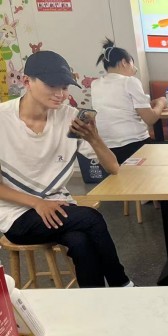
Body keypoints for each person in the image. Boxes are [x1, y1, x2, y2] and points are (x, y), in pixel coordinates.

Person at [0, 50, 133, 288]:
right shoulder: (3, 120)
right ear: (27, 81)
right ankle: (122, 284)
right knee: (91, 219)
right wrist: (37, 203)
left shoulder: (69, 118)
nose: (60, 94)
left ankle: (95, 301)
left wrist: (94, 138)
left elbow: (113, 167)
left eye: (64, 87)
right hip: (16, 214)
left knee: (80, 241)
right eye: (52, 86)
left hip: (58, 204)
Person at [91, 38, 166, 164]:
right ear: (124, 62)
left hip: (107, 149)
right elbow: (150, 119)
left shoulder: (95, 84)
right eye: (132, 64)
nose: (134, 69)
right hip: (135, 145)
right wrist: (161, 102)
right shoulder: (130, 81)